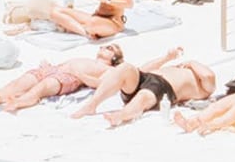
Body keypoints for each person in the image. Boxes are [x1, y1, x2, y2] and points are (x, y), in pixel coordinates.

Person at [72, 45, 215, 123]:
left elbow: (208, 76)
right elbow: (143, 69)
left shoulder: (205, 87)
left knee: (144, 96)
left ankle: (121, 115)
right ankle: (91, 106)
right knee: (126, 67)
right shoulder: (178, 68)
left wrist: (192, 63)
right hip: (148, 78)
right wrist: (167, 58)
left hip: (164, 89)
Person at [0, 45, 122, 113]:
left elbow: (100, 84)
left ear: (114, 57)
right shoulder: (88, 59)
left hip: (69, 78)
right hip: (54, 69)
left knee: (42, 87)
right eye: (105, 46)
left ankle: (19, 101)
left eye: (110, 48)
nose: (104, 48)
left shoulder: (109, 69)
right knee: (17, 83)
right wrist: (49, 66)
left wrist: (80, 75)